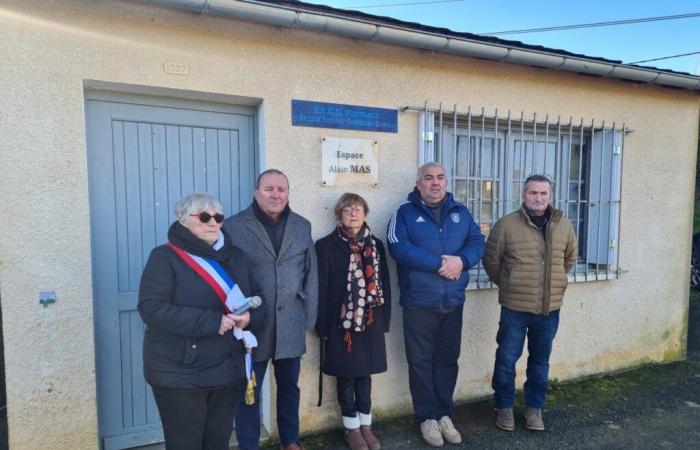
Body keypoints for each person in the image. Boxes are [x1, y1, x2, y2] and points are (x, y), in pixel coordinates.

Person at [138, 193, 265, 450]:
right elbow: (152, 309)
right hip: (181, 372)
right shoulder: (165, 257)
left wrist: (249, 317)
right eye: (204, 217)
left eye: (218, 217)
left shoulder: (235, 256)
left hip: (226, 368)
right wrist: (212, 322)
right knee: (186, 444)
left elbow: (258, 298)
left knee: (217, 443)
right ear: (183, 221)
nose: (213, 223)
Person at [387, 162, 485, 447]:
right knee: (420, 362)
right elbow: (397, 247)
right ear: (418, 184)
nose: (435, 183)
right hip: (419, 302)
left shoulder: (461, 213)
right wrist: (439, 264)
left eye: (440, 177)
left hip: (453, 301)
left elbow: (478, 242)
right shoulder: (403, 213)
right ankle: (427, 418)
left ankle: (444, 414)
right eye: (428, 178)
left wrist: (461, 261)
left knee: (447, 360)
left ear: (446, 182)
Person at [223, 169, 318, 450]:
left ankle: (290, 440)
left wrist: (310, 319)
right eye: (269, 189)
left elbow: (311, 274)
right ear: (255, 192)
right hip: (253, 324)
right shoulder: (233, 226)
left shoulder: (302, 225)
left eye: (282, 189)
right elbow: (225, 277)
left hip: (291, 322)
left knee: (289, 388)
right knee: (248, 391)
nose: (276, 194)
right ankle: (248, 444)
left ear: (288, 194)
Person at [483, 175, 577, 432]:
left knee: (540, 361)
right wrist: (510, 283)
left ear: (551, 196)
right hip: (514, 308)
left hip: (549, 309)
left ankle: (535, 409)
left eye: (543, 193)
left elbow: (568, 259)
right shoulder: (507, 225)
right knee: (506, 359)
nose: (538, 198)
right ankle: (504, 408)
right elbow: (492, 261)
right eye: (533, 193)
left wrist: (552, 283)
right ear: (523, 195)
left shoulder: (564, 225)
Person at [315, 193, 392, 450]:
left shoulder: (376, 245)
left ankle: (366, 425)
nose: (353, 214)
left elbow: (385, 285)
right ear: (339, 215)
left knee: (365, 375)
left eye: (358, 209)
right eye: (347, 210)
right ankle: (351, 428)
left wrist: (384, 321)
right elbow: (321, 289)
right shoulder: (325, 246)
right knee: (346, 376)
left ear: (365, 214)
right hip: (341, 324)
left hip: (370, 321)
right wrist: (322, 326)